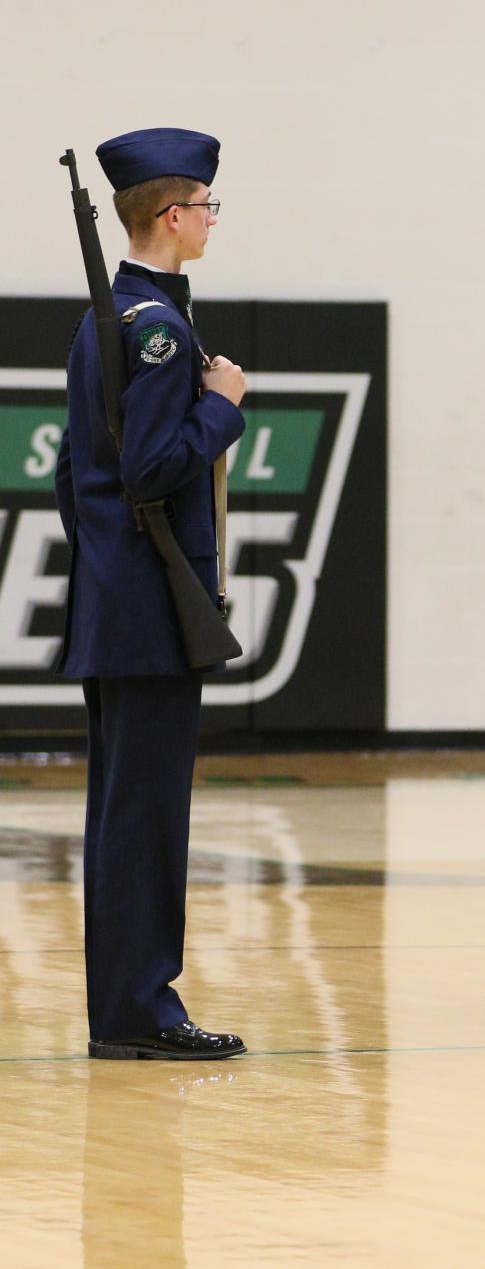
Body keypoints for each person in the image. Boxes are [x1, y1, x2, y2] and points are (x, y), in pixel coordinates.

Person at [57, 127, 248, 1060]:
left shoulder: (111, 321)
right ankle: (141, 1013)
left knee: (124, 817)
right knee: (145, 821)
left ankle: (128, 1011)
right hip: (152, 613)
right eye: (208, 205)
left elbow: (72, 484)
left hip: (118, 602)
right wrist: (226, 407)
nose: (213, 220)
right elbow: (152, 468)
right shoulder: (161, 328)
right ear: (173, 215)